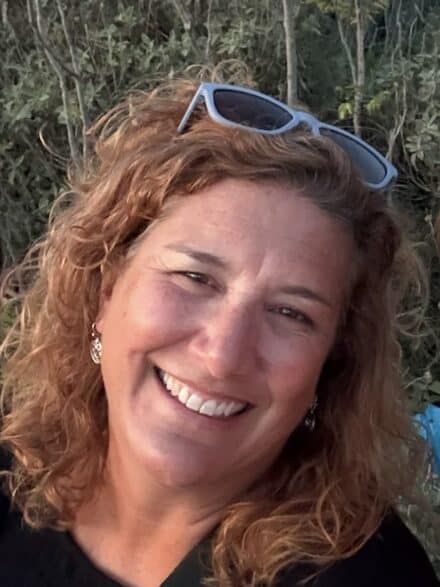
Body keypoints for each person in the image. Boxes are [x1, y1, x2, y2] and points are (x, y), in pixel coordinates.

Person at [0, 78, 438, 587]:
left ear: (331, 363)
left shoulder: (374, 579)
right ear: (107, 290)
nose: (223, 356)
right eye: (195, 278)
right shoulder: (12, 464)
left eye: (291, 313)